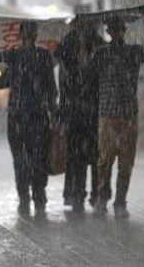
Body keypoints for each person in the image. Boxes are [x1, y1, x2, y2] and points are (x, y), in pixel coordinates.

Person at [0, 20, 58, 216]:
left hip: (32, 116)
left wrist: (53, 111)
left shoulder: (39, 56)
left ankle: (34, 197)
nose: (30, 35)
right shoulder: (17, 56)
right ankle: (29, 197)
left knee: (34, 160)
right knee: (25, 160)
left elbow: (51, 88)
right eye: (29, 32)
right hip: (23, 116)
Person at [90, 12, 144, 218]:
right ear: (109, 32)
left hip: (127, 115)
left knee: (126, 163)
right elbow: (86, 73)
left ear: (123, 31)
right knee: (105, 161)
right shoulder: (100, 53)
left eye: (119, 29)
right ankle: (103, 198)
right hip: (108, 114)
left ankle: (120, 201)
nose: (117, 32)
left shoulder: (133, 52)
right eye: (113, 29)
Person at [55, 20, 108, 214]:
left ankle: (96, 194)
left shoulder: (98, 44)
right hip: (75, 111)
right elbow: (64, 71)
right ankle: (77, 194)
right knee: (76, 156)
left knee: (94, 156)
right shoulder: (67, 45)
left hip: (92, 111)